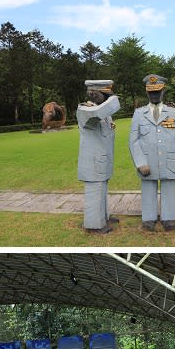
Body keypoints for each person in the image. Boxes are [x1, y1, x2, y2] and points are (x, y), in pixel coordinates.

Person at [129, 74, 175, 231]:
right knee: (148, 189)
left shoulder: (174, 113)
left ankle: (168, 218)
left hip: (169, 160)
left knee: (169, 188)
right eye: (151, 92)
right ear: (147, 92)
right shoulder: (139, 113)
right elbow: (133, 141)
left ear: (163, 91)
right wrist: (140, 163)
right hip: (148, 161)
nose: (154, 95)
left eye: (157, 92)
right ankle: (149, 218)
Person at [77, 80, 120, 234]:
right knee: (95, 190)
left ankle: (103, 217)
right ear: (93, 94)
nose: (109, 98)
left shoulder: (101, 111)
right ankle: (94, 225)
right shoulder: (85, 110)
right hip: (93, 162)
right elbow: (103, 111)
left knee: (102, 189)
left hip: (102, 160)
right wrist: (113, 99)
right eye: (106, 95)